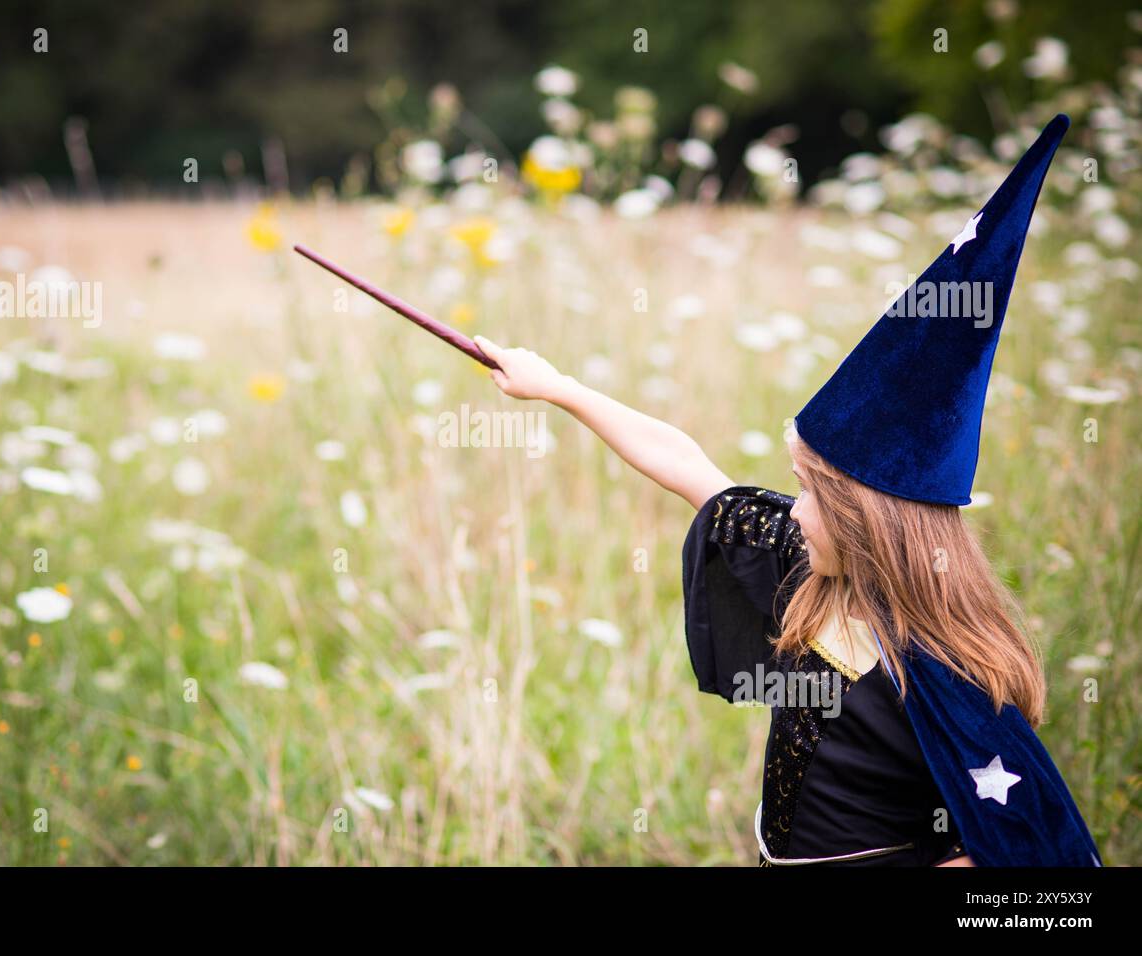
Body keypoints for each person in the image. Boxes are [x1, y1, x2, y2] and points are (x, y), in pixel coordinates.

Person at [471, 111, 1102, 867]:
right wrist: (559, 388)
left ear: (869, 523)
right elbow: (691, 468)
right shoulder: (816, 571)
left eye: (810, 494)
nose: (790, 510)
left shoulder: (949, 679)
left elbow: (1014, 854)